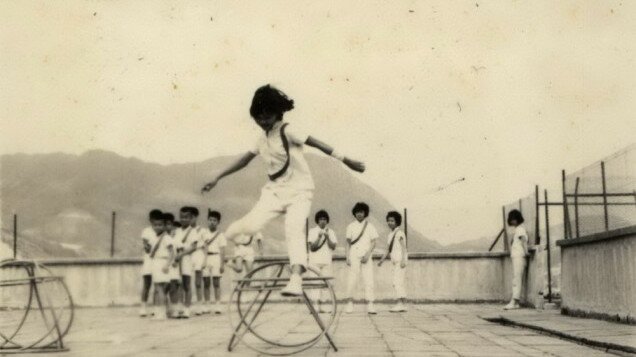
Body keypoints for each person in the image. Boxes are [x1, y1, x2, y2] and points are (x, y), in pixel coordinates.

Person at [202, 84, 365, 296]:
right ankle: (238, 253)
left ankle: (296, 279)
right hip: (274, 192)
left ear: (277, 113)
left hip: (300, 191)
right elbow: (244, 160)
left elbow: (317, 143)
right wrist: (218, 177)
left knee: (294, 229)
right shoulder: (262, 139)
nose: (263, 123)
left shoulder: (288, 130)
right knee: (244, 228)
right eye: (258, 119)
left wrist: (346, 160)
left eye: (267, 118)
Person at [344, 202, 379, 314]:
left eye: (362, 212)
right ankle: (349, 303)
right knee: (352, 279)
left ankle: (370, 304)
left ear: (365, 213)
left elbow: (374, 242)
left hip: (366, 256)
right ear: (354, 213)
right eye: (358, 212)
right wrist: (347, 257)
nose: (360, 214)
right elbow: (348, 243)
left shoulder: (370, 226)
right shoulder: (350, 226)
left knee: (369, 280)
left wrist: (368, 255)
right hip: (354, 255)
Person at [378, 211, 408, 312]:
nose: (390, 222)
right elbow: (388, 249)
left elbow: (404, 248)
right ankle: (403, 304)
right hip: (395, 262)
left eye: (392, 220)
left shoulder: (399, 233)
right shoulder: (390, 235)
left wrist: (404, 260)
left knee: (397, 282)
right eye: (388, 220)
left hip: (400, 261)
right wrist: (382, 260)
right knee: (398, 282)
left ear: (397, 222)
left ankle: (400, 303)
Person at [307, 210, 337, 313]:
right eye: (320, 219)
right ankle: (315, 306)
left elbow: (333, 246)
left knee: (326, 285)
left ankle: (325, 306)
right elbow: (312, 248)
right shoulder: (312, 231)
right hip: (314, 261)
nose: (322, 221)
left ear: (327, 220)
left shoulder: (331, 232)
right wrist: (319, 237)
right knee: (315, 284)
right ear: (317, 221)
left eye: (324, 219)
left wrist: (327, 237)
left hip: (326, 261)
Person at [174, 206, 200, 318]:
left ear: (190, 219)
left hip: (186, 258)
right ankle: (179, 307)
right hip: (177, 258)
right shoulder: (177, 231)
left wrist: (182, 254)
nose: (183, 220)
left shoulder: (193, 231)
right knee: (178, 284)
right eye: (181, 217)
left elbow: (194, 247)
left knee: (186, 283)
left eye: (186, 218)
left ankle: (187, 308)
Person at [150, 213, 175, 320]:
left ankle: (161, 313)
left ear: (164, 226)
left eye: (160, 225)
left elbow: (172, 253)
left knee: (161, 288)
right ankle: (166, 311)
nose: (157, 227)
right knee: (159, 288)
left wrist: (167, 265)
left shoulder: (166, 238)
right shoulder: (155, 237)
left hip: (163, 263)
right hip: (156, 262)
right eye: (155, 225)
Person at [202, 209, 227, 314]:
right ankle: (207, 304)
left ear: (218, 222)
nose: (212, 222)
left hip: (216, 258)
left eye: (215, 220)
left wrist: (222, 264)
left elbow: (222, 251)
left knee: (216, 282)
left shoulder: (220, 235)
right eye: (210, 220)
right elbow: (201, 248)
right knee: (206, 283)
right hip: (206, 258)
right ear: (208, 220)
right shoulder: (203, 233)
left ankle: (218, 304)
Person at [140, 209, 163, 317]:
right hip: (149, 260)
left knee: (157, 284)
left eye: (158, 221)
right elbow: (146, 246)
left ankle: (155, 307)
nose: (155, 223)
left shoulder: (163, 232)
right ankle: (143, 307)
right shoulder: (146, 231)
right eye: (153, 220)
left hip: (158, 261)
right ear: (150, 220)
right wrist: (147, 247)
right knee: (147, 284)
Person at [505, 209, 529, 310]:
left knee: (517, 278)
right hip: (517, 255)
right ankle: (516, 302)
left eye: (512, 219)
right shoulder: (519, 229)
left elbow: (523, 241)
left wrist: (526, 252)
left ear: (516, 219)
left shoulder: (520, 229)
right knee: (517, 277)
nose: (511, 222)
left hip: (519, 255)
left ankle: (514, 301)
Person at [187, 207, 208, 316]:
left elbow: (205, 246)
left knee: (198, 282)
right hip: (188, 256)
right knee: (187, 282)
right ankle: (188, 305)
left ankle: (200, 305)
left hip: (199, 255)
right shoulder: (186, 230)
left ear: (195, 217)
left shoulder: (202, 231)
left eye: (191, 217)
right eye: (188, 218)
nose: (189, 220)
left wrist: (205, 260)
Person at [164, 213, 181, 318]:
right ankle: (165, 309)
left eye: (169, 224)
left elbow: (179, 251)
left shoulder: (176, 238)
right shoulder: (161, 238)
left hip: (173, 265)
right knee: (163, 288)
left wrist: (177, 261)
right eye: (164, 224)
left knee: (173, 287)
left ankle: (174, 310)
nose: (167, 227)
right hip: (163, 265)